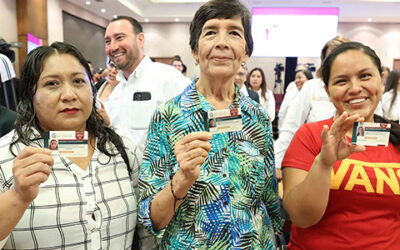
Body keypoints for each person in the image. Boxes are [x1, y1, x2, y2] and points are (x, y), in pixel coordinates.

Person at [138, 0, 283, 248]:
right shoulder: (167, 116)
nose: (222, 42)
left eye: (234, 33)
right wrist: (181, 180)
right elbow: (151, 218)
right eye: (211, 32)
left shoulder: (257, 116)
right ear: (195, 51)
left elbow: (270, 202)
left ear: (246, 52)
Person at [0, 42, 139, 249]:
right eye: (52, 84)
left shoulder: (123, 149)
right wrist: (17, 197)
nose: (69, 95)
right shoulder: (5, 156)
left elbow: (145, 234)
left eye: (78, 81)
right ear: (30, 95)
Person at [282, 42, 400, 249]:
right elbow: (301, 217)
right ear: (327, 91)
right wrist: (324, 164)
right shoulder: (310, 136)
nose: (355, 88)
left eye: (365, 76)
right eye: (341, 81)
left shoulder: (396, 139)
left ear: (381, 80)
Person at [104, 16, 188, 154]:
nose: (113, 47)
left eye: (119, 38)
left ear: (140, 39)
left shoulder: (168, 78)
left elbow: (191, 130)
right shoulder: (117, 91)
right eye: (108, 41)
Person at [274, 36, 351, 177]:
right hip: (314, 160)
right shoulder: (311, 86)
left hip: (351, 162)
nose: (336, 62)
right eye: (330, 58)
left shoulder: (359, 90)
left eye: (340, 55)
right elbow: (291, 125)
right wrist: (277, 163)